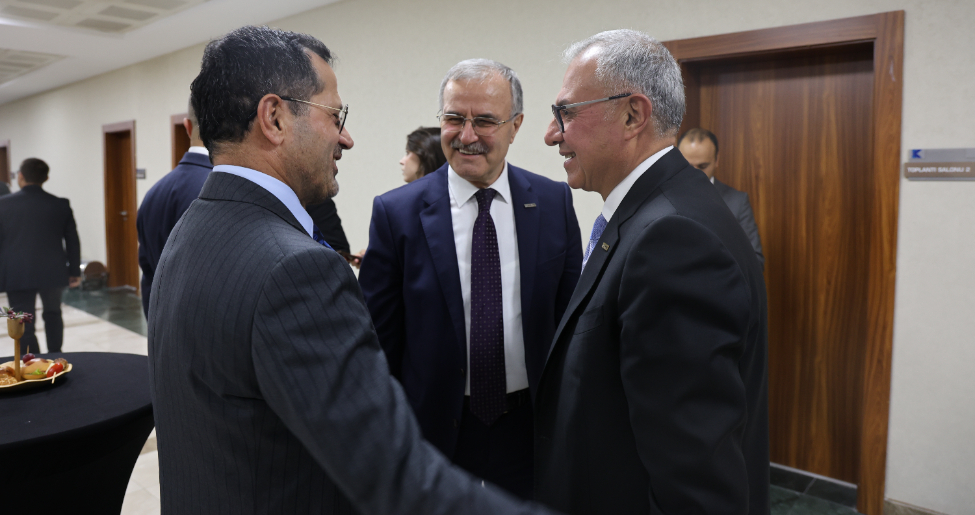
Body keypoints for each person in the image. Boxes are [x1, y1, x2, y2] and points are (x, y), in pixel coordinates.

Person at [148, 26, 555, 515]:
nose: (346, 138)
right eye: (334, 116)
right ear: (274, 118)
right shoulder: (296, 270)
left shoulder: (193, 228)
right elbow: (392, 475)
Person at [536, 30, 770, 514]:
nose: (552, 134)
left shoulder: (674, 238)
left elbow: (695, 483)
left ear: (632, 115)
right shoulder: (657, 212)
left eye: (566, 112)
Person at [359, 59, 582, 500]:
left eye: (484, 121)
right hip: (432, 432)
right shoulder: (396, 213)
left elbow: (571, 322)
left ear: (515, 126)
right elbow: (378, 343)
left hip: (530, 428)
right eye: (453, 118)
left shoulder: (553, 202)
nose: (466, 135)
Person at [136, 100, 213, 318]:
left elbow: (148, 273)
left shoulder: (154, 193)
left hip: (162, 322)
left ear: (187, 126)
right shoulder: (219, 191)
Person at [0, 158, 81, 354]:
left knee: (21, 319)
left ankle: (33, 359)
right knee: (53, 314)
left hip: (16, 272)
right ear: (46, 178)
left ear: (20, 176)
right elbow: (72, 240)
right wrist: (74, 271)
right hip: (53, 271)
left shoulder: (3, 205)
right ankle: (55, 355)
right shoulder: (60, 204)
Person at [678, 128, 765, 267]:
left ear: (716, 160)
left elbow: (755, 262)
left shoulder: (737, 202)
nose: (694, 173)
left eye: (703, 166)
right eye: (687, 166)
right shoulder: (662, 199)